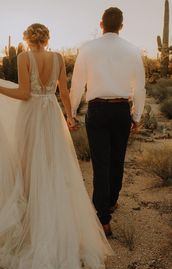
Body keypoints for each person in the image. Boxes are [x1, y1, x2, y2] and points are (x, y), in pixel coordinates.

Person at [0, 23, 113, 269]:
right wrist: (70, 117)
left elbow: (24, 93)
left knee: (26, 171)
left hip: (31, 117)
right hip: (52, 117)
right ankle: (53, 223)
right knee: (53, 168)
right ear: (47, 39)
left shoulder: (24, 57)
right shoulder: (59, 58)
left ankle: (30, 226)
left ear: (26, 40)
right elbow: (63, 92)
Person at [70, 7, 146, 236]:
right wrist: (137, 116)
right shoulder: (133, 50)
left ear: (101, 24)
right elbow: (140, 88)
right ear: (121, 27)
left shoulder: (87, 49)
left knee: (100, 164)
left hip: (97, 111)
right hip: (121, 109)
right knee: (117, 160)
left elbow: (77, 83)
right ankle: (111, 201)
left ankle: (103, 217)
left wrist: (72, 111)